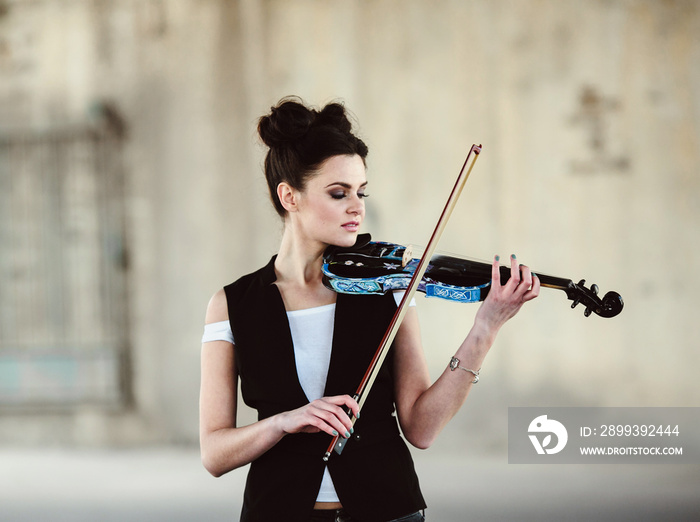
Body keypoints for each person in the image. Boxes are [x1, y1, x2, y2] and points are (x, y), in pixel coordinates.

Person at [199, 96, 540, 522]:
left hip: (388, 511)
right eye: (338, 193)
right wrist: (282, 422)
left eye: (361, 192)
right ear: (290, 196)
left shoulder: (389, 287)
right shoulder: (232, 305)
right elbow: (214, 454)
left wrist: (486, 327)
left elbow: (421, 427)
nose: (357, 207)